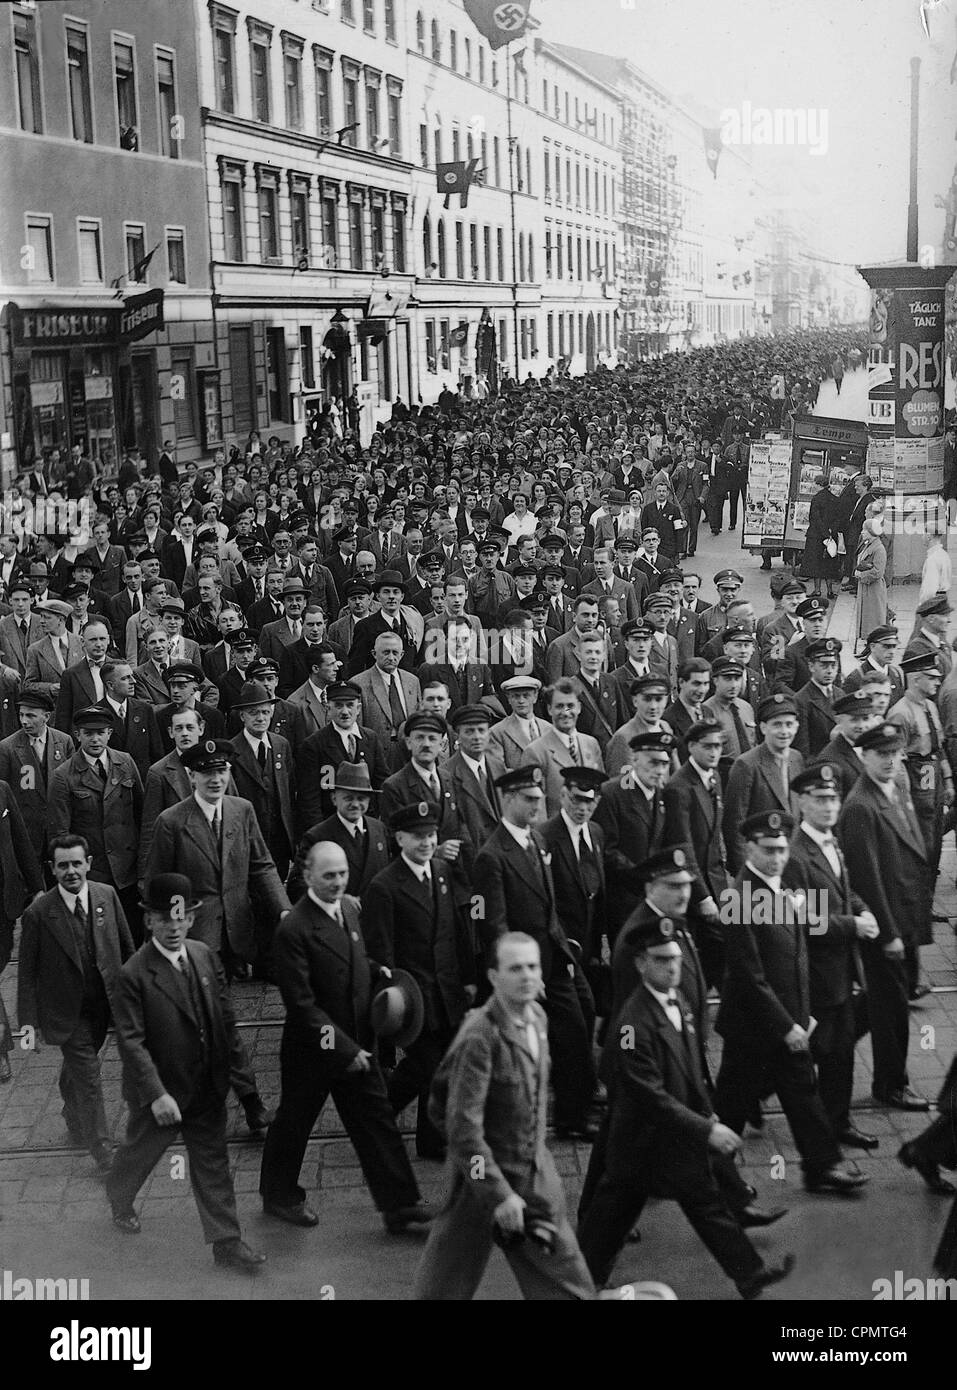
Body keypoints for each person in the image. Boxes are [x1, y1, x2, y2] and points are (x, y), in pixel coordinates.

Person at [413, 932, 672, 1301]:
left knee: (568, 1281)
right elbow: (459, 1125)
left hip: (532, 1175)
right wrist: (498, 1193)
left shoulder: (537, 1018)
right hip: (479, 1184)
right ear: (493, 977)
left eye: (533, 967)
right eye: (515, 968)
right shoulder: (480, 1037)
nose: (527, 976)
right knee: (442, 1290)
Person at [577, 914, 795, 1299]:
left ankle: (750, 1275)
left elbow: (692, 1067)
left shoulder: (677, 999)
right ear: (641, 964)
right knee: (610, 1217)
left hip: (672, 1138)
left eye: (676, 958)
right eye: (661, 960)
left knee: (705, 1201)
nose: (673, 966)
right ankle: (578, 1282)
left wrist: (706, 1110)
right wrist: (706, 1128)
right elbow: (648, 1094)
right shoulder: (631, 1023)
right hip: (641, 1143)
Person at [259, 840, 432, 1233]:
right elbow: (302, 1006)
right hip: (315, 1050)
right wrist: (344, 1050)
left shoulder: (348, 910)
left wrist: (375, 971)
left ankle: (400, 1205)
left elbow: (349, 958)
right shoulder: (293, 929)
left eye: (342, 874)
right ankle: (279, 1196)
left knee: (376, 1120)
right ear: (306, 877)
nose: (338, 882)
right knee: (294, 1122)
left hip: (357, 1039)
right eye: (328, 876)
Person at [105, 873, 267, 1274]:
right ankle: (119, 1193)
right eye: (165, 919)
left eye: (181, 918)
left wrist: (244, 1086)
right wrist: (157, 1094)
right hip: (161, 1092)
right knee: (140, 1153)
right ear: (149, 922)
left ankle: (226, 1243)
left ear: (192, 918)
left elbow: (227, 1025)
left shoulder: (204, 955)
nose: (174, 927)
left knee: (212, 1162)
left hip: (207, 1086)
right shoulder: (134, 975)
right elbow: (132, 1041)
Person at [714, 809, 869, 1195]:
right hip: (753, 1027)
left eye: (782, 849)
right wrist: (787, 1025)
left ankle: (822, 1167)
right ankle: (711, 1176)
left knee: (802, 1094)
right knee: (731, 1108)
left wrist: (804, 1014)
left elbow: (798, 956)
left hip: (787, 1018)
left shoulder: (783, 886)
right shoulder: (738, 897)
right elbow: (750, 976)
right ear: (748, 848)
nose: (778, 857)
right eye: (768, 850)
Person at [473, 764, 598, 1140]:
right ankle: (560, 1118)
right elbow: (493, 925)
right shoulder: (491, 856)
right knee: (538, 1040)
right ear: (507, 799)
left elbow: (549, 903)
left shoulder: (536, 841)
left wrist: (565, 947)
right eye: (528, 799)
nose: (535, 805)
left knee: (581, 1021)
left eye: (538, 798)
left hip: (554, 957)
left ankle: (575, 1108)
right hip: (526, 967)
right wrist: (523, 973)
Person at [362, 800, 475, 1160]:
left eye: (431, 835)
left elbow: (456, 930)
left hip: (447, 991)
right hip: (414, 996)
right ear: (399, 838)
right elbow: (381, 953)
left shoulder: (441, 871)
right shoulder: (385, 886)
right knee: (429, 1065)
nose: (426, 843)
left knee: (437, 1066)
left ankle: (429, 1139)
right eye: (417, 837)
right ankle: (377, 1119)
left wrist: (468, 978)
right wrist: (394, 1000)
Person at [18, 834, 132, 1170]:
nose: (71, 871)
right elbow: (26, 974)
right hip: (66, 1010)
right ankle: (103, 1149)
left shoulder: (106, 896)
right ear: (51, 869)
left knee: (81, 1069)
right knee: (90, 1075)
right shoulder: (38, 914)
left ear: (89, 864)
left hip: (104, 1004)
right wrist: (28, 1025)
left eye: (77, 863)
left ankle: (71, 1109)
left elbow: (126, 948)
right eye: (63, 865)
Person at [784, 765, 880, 1149]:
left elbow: (843, 889)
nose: (829, 806)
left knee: (837, 1051)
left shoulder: (829, 841)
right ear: (802, 803)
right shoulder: (796, 857)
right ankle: (826, 1127)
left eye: (833, 799)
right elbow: (808, 922)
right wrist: (853, 926)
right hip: (816, 972)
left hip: (839, 969)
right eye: (820, 800)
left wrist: (863, 908)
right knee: (816, 1051)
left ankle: (835, 1122)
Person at [853, 518, 887, 651]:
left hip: (874, 589)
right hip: (866, 587)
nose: (862, 532)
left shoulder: (879, 548)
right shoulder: (869, 545)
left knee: (873, 618)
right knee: (867, 616)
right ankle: (868, 645)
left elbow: (878, 572)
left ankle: (873, 647)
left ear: (871, 532)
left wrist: (861, 575)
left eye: (865, 530)